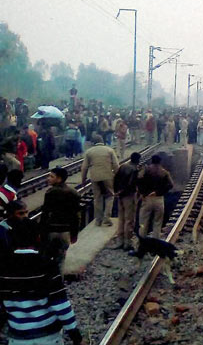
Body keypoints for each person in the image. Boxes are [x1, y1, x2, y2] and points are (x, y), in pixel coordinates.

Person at [0, 203, 84, 345]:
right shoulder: (47, 266)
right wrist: (76, 336)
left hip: (17, 337)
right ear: (37, 238)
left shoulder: (4, 269)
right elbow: (61, 305)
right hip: (48, 337)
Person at [40, 167, 81, 273]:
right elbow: (75, 216)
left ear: (59, 179)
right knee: (61, 258)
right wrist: (74, 234)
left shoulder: (50, 193)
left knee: (47, 257)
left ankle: (47, 281)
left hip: (51, 231)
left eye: (51, 176)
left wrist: (41, 231)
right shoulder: (74, 193)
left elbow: (45, 214)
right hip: (66, 232)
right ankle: (59, 281)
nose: (48, 178)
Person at [81, 135, 119, 227]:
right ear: (102, 141)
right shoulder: (109, 150)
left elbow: (84, 167)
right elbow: (116, 165)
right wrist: (117, 176)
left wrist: (83, 179)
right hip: (108, 176)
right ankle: (107, 219)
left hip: (95, 177)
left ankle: (98, 220)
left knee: (97, 198)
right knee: (110, 196)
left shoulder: (89, 152)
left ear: (93, 143)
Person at [136, 155, 173, 239]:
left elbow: (138, 180)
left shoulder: (145, 170)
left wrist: (142, 193)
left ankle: (141, 242)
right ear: (160, 162)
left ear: (151, 161)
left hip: (146, 199)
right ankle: (156, 242)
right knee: (157, 223)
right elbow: (171, 185)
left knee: (143, 222)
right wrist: (158, 192)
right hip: (159, 199)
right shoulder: (164, 172)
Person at [113, 152, 140, 251]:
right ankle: (127, 243)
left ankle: (119, 240)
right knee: (129, 220)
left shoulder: (123, 166)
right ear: (138, 160)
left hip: (120, 196)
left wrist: (117, 192)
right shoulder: (134, 170)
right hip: (129, 196)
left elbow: (115, 179)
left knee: (121, 219)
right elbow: (131, 184)